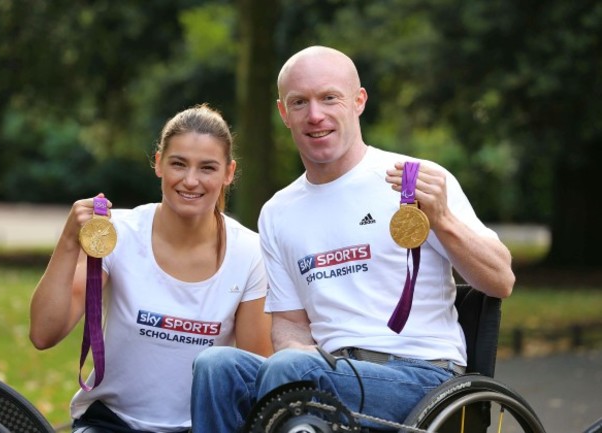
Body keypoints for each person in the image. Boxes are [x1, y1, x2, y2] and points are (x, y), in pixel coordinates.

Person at [190, 46, 515, 432]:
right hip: (325, 370)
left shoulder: (415, 179)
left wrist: (442, 219)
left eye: (330, 98)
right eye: (300, 102)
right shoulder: (278, 213)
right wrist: (295, 352)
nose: (315, 115)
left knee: (292, 369)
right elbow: (291, 325)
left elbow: (501, 280)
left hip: (420, 379)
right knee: (216, 366)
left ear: (358, 101)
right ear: (283, 113)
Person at [29, 104, 272, 432]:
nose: (190, 180)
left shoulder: (250, 253)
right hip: (112, 424)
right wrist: (70, 242)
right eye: (178, 164)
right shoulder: (118, 234)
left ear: (228, 173)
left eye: (207, 168)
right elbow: (44, 332)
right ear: (158, 163)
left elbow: (255, 377)